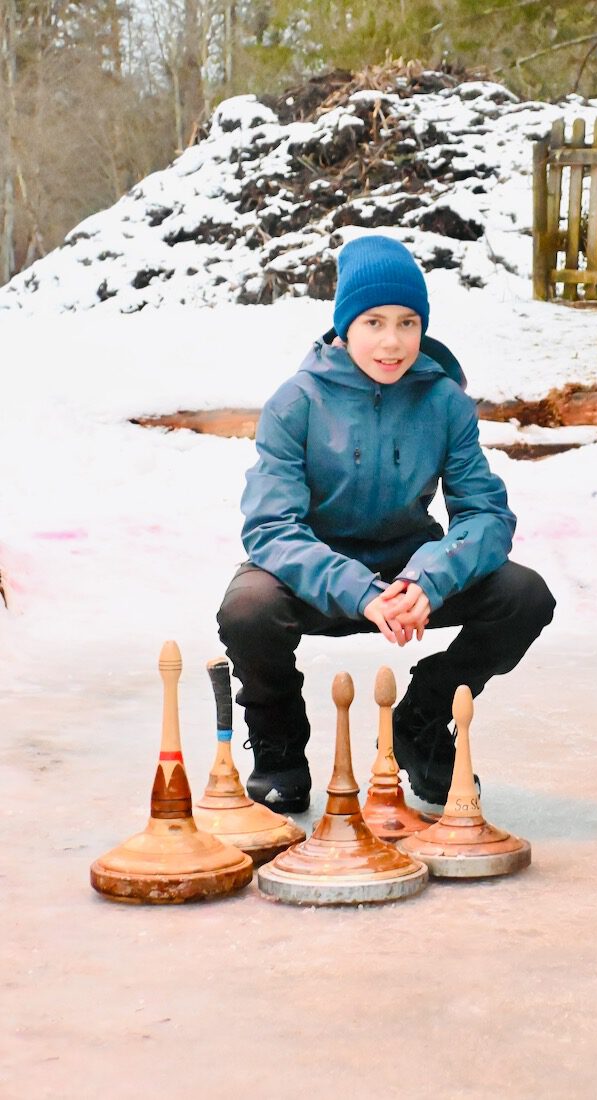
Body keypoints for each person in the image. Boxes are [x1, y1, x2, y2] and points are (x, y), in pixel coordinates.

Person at [217, 235, 555, 813]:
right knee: (247, 609)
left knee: (523, 596)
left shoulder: (445, 402)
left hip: (408, 571)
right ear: (345, 327)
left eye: (407, 322)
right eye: (373, 322)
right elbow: (272, 527)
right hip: (314, 573)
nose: (392, 341)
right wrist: (363, 593)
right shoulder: (295, 402)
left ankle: (420, 721)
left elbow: (486, 516)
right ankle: (279, 749)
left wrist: (428, 580)